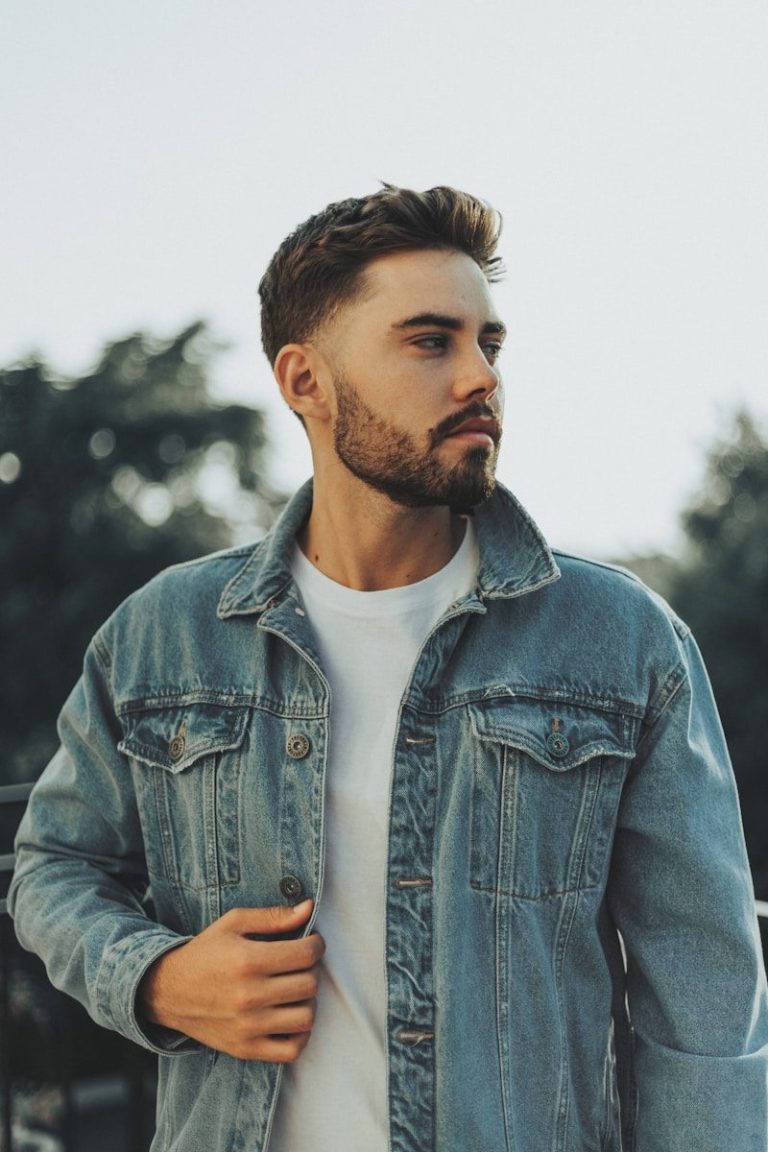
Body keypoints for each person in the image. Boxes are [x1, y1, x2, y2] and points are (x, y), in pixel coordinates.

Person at [10, 184, 768, 1152]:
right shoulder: (162, 636)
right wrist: (154, 978)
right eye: (429, 341)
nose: (478, 378)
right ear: (305, 381)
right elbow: (53, 864)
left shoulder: (622, 642)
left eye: (488, 344)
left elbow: (705, 1004)